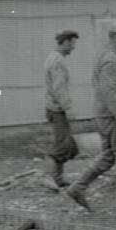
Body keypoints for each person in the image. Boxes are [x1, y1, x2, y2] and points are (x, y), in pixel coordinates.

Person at [64, 20, 116, 211]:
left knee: (108, 156)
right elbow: (106, 89)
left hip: (104, 114)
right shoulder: (111, 59)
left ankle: (78, 187)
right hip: (112, 116)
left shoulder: (106, 55)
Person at [44, 29, 80, 188]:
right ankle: (47, 177)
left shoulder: (54, 58)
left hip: (55, 108)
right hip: (58, 109)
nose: (73, 47)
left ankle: (58, 178)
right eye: (72, 44)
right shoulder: (57, 61)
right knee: (62, 146)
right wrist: (68, 109)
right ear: (65, 42)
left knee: (66, 144)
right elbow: (59, 89)